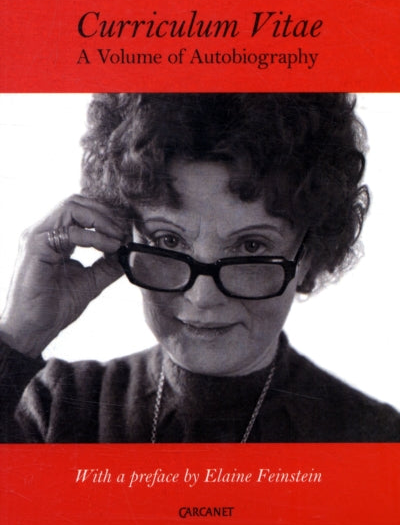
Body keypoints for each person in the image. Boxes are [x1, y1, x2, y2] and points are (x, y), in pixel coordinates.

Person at [0, 93, 399, 443]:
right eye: (169, 240)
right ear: (123, 237)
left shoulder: (376, 439)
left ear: (308, 256)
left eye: (251, 246)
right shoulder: (57, 407)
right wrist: (18, 337)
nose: (203, 297)